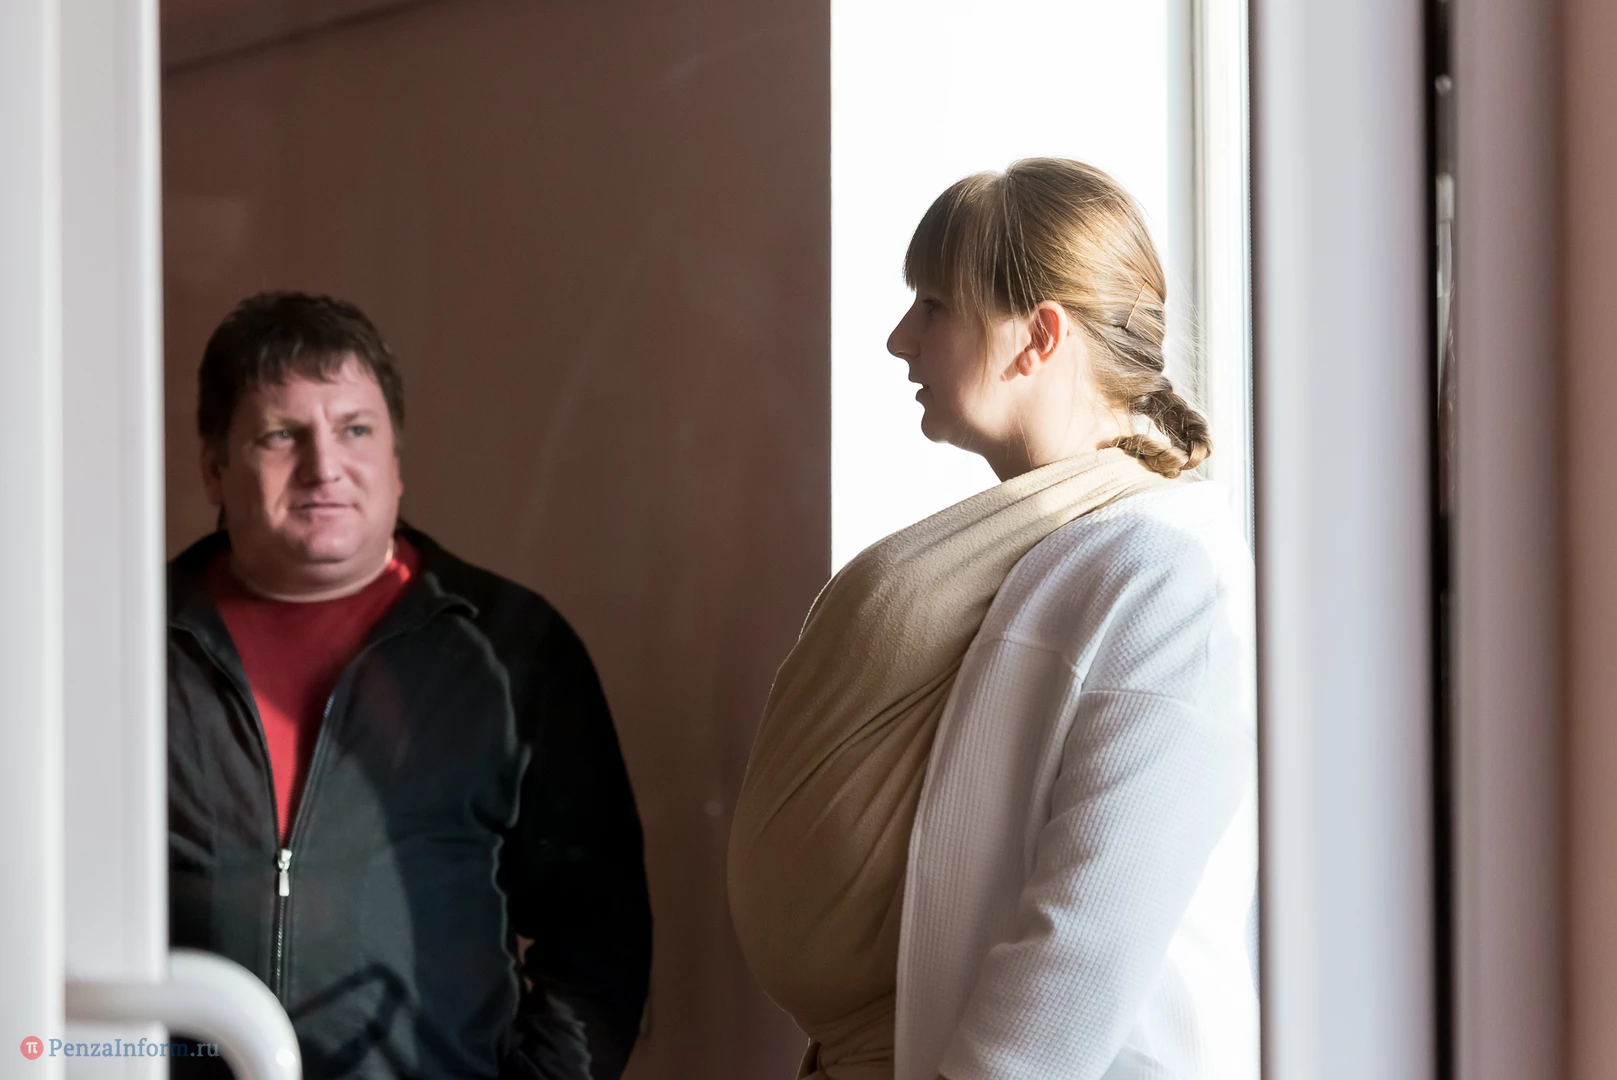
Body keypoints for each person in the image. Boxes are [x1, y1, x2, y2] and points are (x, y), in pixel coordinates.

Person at [728, 159, 1258, 1080]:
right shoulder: (1052, 551)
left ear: (1037, 337)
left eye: (933, 306)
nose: (899, 340)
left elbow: (1086, 937)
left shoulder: (1163, 575)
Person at [166, 292, 652, 1079]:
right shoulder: (123, 649)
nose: (325, 467)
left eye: (355, 430)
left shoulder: (509, 650)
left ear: (396, 463)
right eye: (282, 434)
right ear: (214, 466)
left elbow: (599, 938)